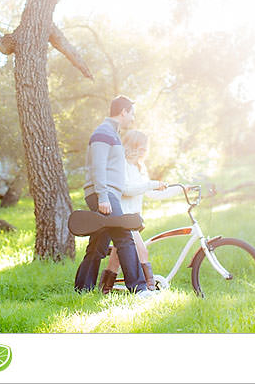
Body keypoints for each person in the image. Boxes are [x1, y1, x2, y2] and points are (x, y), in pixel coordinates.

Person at [73, 96, 153, 296]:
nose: (133, 118)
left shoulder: (112, 133)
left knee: (98, 244)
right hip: (104, 194)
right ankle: (140, 289)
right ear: (123, 112)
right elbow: (98, 166)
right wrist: (103, 197)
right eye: (132, 113)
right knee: (125, 237)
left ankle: (82, 289)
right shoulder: (103, 132)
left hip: (108, 194)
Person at [98, 130, 179, 293]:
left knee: (116, 257)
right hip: (123, 217)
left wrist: (180, 189)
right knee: (142, 251)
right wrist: (151, 184)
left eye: (145, 147)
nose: (144, 150)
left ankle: (105, 289)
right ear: (133, 146)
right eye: (142, 147)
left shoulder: (139, 167)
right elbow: (126, 189)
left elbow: (150, 193)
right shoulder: (122, 165)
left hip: (133, 219)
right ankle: (148, 289)